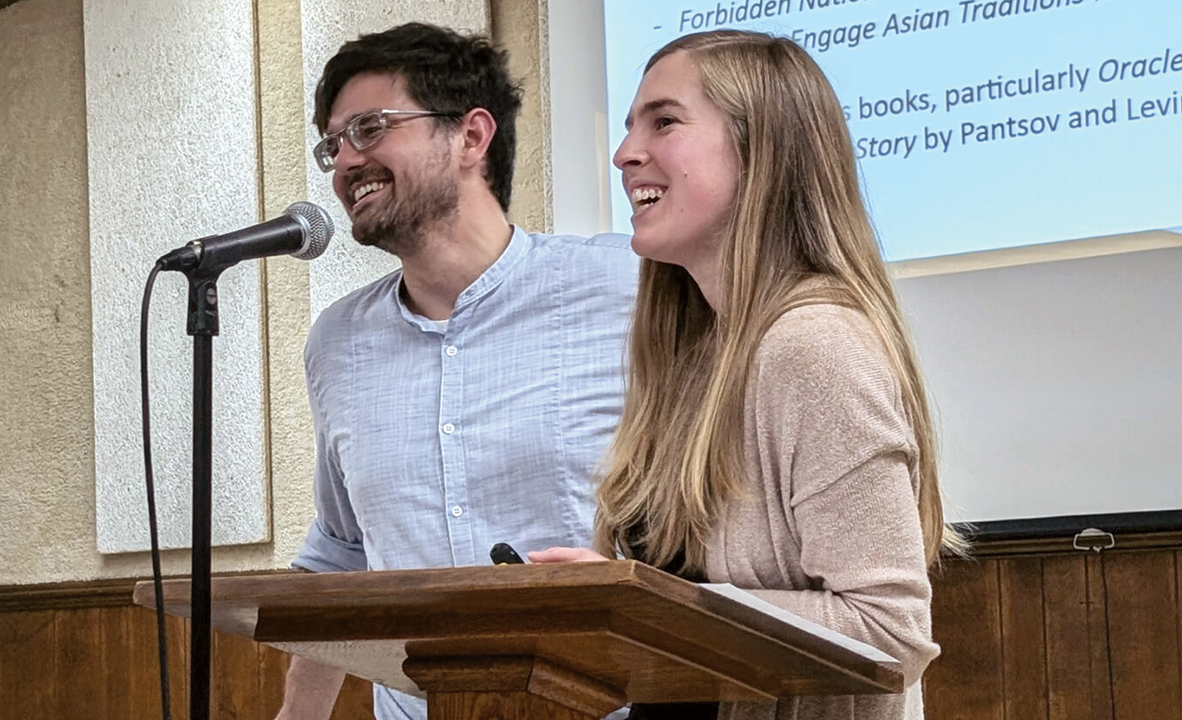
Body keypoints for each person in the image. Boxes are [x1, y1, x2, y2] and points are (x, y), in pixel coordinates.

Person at [530, 30, 961, 720]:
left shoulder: (814, 347)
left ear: (763, 150)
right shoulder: (691, 353)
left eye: (664, 122)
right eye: (628, 126)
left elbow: (890, 634)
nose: (624, 154)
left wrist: (645, 605)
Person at [275, 22, 640, 720]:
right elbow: (342, 552)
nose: (345, 162)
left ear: (472, 137)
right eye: (333, 144)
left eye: (370, 128)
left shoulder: (626, 288)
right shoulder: (337, 342)